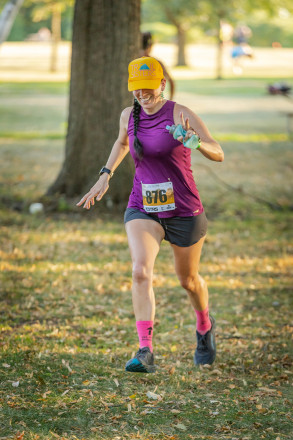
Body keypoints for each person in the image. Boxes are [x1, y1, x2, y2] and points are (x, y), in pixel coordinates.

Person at [77, 56, 224, 373]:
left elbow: (218, 152)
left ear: (161, 83)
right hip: (143, 206)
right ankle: (145, 350)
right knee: (141, 271)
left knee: (188, 280)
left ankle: (203, 327)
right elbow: (121, 143)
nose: (142, 94)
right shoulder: (129, 116)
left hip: (184, 209)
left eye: (147, 88)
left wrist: (195, 142)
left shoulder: (181, 113)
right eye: (136, 89)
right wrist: (105, 175)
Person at [141, 32, 175, 100]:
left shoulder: (131, 61)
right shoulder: (157, 63)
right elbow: (171, 82)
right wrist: (170, 100)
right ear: (150, 45)